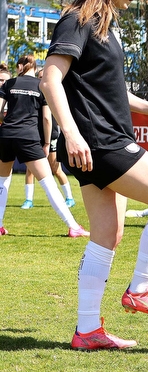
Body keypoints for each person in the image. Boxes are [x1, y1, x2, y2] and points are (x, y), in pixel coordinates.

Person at [41, 0, 148, 351]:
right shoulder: (78, 19)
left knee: (107, 235)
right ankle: (141, 289)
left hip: (99, 142)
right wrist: (70, 133)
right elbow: (50, 77)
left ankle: (87, 329)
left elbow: (107, 90)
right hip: (100, 142)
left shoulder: (107, 27)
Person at [0, 54, 88, 237]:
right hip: (28, 137)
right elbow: (47, 118)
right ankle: (73, 226)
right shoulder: (41, 86)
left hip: (6, 135)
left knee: (2, 182)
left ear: (20, 67)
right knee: (48, 183)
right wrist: (47, 142)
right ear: (35, 67)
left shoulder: (9, 84)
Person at [21, 68, 77, 210]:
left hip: (50, 136)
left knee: (55, 168)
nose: (42, 79)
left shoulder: (54, 95)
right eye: (40, 77)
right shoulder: (35, 93)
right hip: (35, 134)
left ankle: (69, 197)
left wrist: (48, 140)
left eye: (43, 76)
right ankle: (28, 200)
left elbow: (49, 119)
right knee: (30, 169)